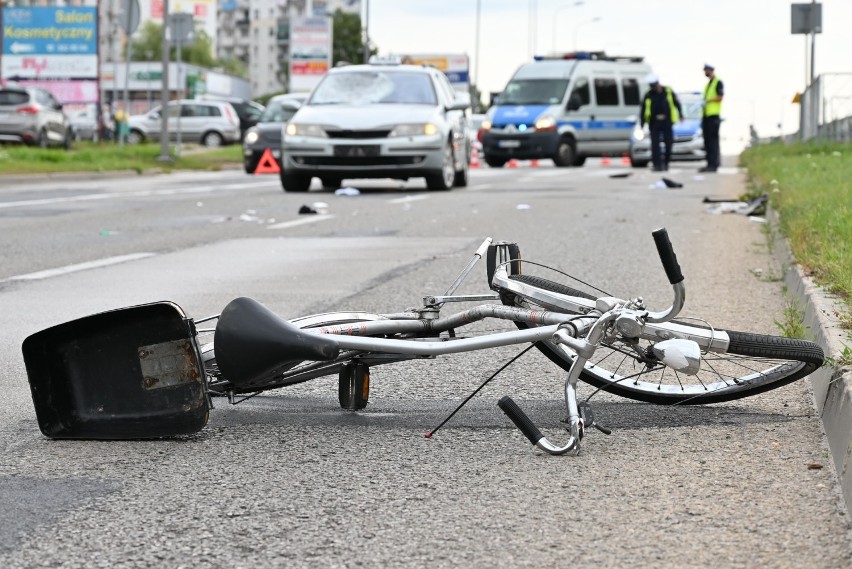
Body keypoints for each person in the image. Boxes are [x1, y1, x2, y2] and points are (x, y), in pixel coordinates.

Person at [639, 74, 684, 172]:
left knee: (669, 143)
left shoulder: (668, 91)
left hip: (667, 121)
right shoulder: (648, 95)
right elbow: (643, 110)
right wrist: (642, 123)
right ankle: (657, 165)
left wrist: (681, 115)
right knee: (655, 145)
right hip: (654, 122)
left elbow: (677, 103)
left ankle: (666, 164)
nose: (654, 88)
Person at [700, 63, 724, 172]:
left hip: (713, 117)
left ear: (710, 70)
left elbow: (720, 97)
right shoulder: (707, 84)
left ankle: (714, 164)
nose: (705, 73)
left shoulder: (718, 82)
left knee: (713, 142)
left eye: (706, 71)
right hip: (706, 116)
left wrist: (708, 101)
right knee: (707, 142)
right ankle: (709, 164)